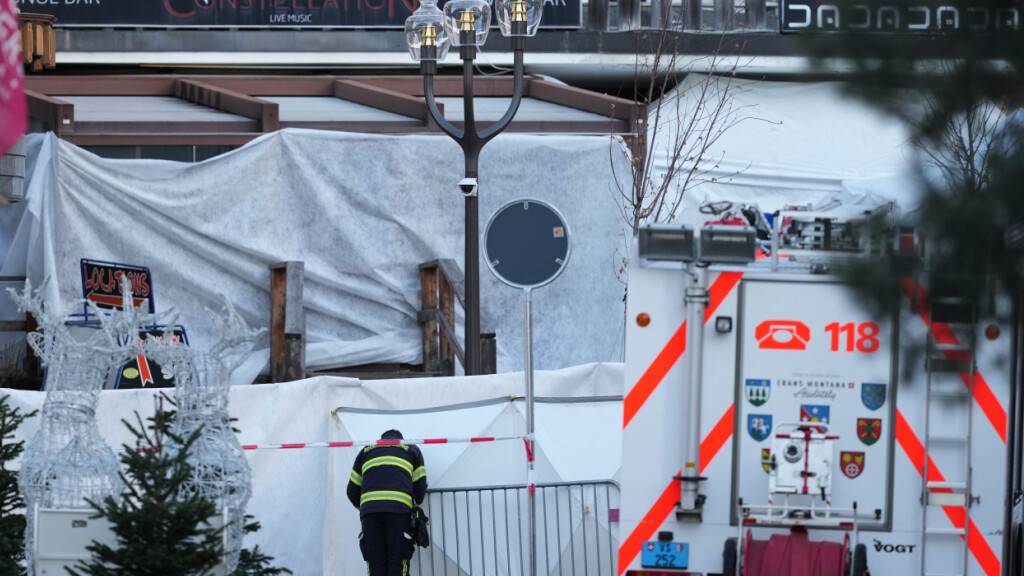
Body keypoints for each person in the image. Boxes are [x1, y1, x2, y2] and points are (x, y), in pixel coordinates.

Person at [347, 429, 427, 576]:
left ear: (381, 439)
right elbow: (420, 489)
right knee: (398, 563)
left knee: (375, 565)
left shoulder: (366, 451)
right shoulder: (412, 450)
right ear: (401, 440)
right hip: (399, 512)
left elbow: (352, 491)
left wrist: (368, 506)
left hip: (370, 514)